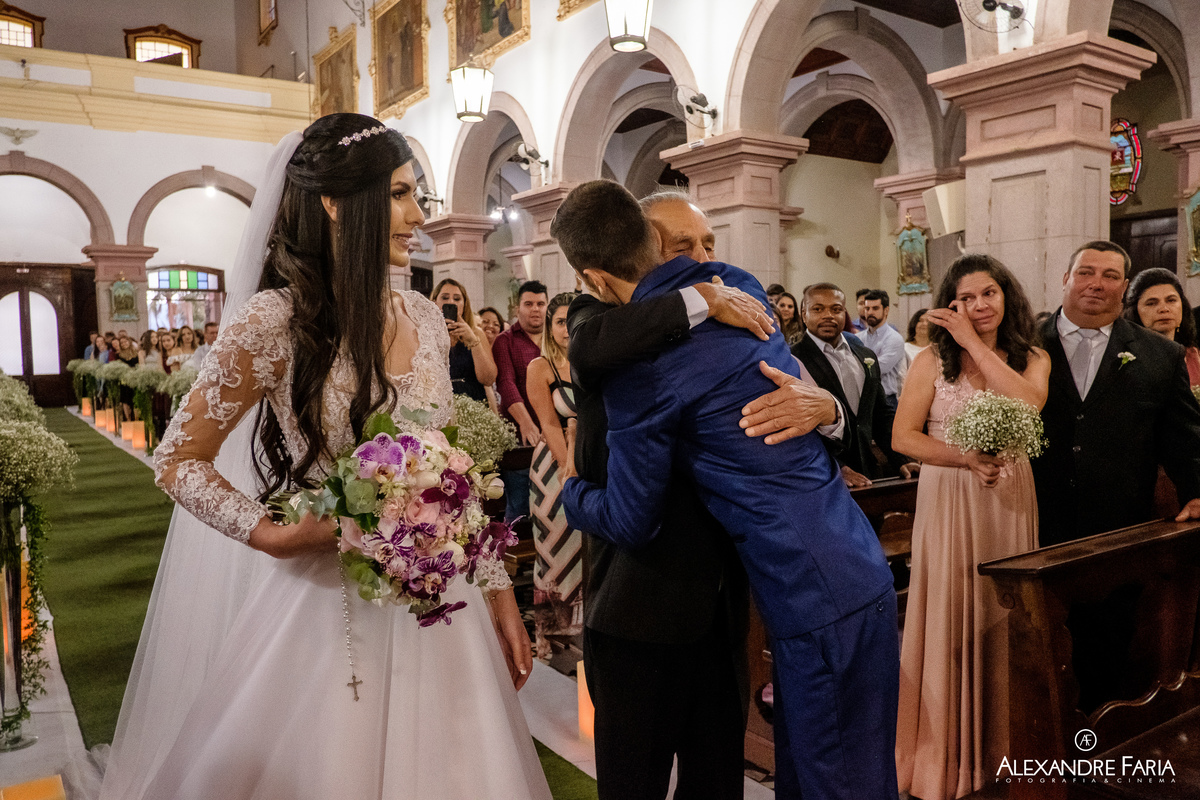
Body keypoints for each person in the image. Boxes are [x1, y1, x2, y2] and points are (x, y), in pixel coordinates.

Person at [98, 114, 551, 800]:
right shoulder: (275, 319)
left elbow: (451, 469)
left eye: (416, 195)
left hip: (443, 605)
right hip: (328, 603)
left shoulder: (426, 318)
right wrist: (271, 534)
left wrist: (497, 594)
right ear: (336, 204)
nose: (416, 216)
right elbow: (178, 459)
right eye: (399, 194)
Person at [554, 180, 898, 800]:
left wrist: (826, 410)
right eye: (681, 247)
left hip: (742, 598)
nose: (703, 259)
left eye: (709, 243)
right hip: (643, 605)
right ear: (642, 250)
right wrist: (701, 297)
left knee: (765, 778)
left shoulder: (739, 299)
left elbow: (818, 423)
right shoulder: (610, 325)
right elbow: (588, 343)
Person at [892, 254, 1050, 800]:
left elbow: (1029, 404)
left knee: (1006, 611)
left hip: (1009, 495)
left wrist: (975, 344)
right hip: (950, 494)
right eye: (966, 297)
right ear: (949, 304)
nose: (979, 305)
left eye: (989, 293)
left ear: (1006, 296)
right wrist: (964, 459)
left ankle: (1004, 748)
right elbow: (903, 437)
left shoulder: (1033, 356)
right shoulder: (930, 362)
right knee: (951, 607)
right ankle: (941, 758)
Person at [1035, 240, 1200, 547]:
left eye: (1110, 276)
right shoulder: (1024, 345)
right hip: (1033, 516)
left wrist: (1196, 492)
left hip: (1121, 524)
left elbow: (1184, 437)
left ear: (1124, 287)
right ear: (1066, 278)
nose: (1096, 284)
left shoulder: (1161, 354)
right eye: (1085, 272)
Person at [793, 282, 914, 486]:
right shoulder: (792, 359)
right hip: (823, 477)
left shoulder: (865, 355)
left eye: (836, 309)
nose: (828, 316)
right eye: (818, 309)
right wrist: (837, 467)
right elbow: (798, 431)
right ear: (804, 314)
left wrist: (901, 460)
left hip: (868, 470)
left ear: (845, 313)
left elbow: (880, 415)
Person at [525, 292, 582, 658]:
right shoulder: (541, 367)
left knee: (587, 550)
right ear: (550, 327)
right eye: (560, 321)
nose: (567, 329)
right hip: (553, 467)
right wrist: (569, 472)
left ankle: (584, 635)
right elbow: (548, 423)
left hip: (588, 458)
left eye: (572, 321)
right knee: (557, 551)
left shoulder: (591, 362)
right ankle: (554, 641)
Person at [492, 280, 549, 522]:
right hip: (521, 440)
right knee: (520, 510)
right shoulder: (505, 341)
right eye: (529, 304)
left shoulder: (555, 339)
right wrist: (526, 423)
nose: (535, 309)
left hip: (555, 436)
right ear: (518, 308)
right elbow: (506, 383)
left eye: (540, 304)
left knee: (553, 507)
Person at [1122, 267, 1200, 386]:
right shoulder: (1126, 358)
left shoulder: (1192, 354)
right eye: (1151, 303)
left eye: (1171, 300)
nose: (1164, 309)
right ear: (1135, 312)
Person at [431, 277, 498, 402]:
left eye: (457, 299)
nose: (451, 302)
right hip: (438, 403)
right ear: (434, 302)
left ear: (464, 304)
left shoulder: (476, 333)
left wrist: (473, 341)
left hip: (473, 402)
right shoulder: (426, 333)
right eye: (445, 298)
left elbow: (488, 379)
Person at [860, 289, 907, 406]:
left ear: (886, 310)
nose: (870, 312)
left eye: (875, 308)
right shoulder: (857, 338)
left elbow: (877, 369)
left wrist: (856, 365)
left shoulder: (894, 339)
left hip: (886, 400)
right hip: (862, 398)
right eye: (867, 308)